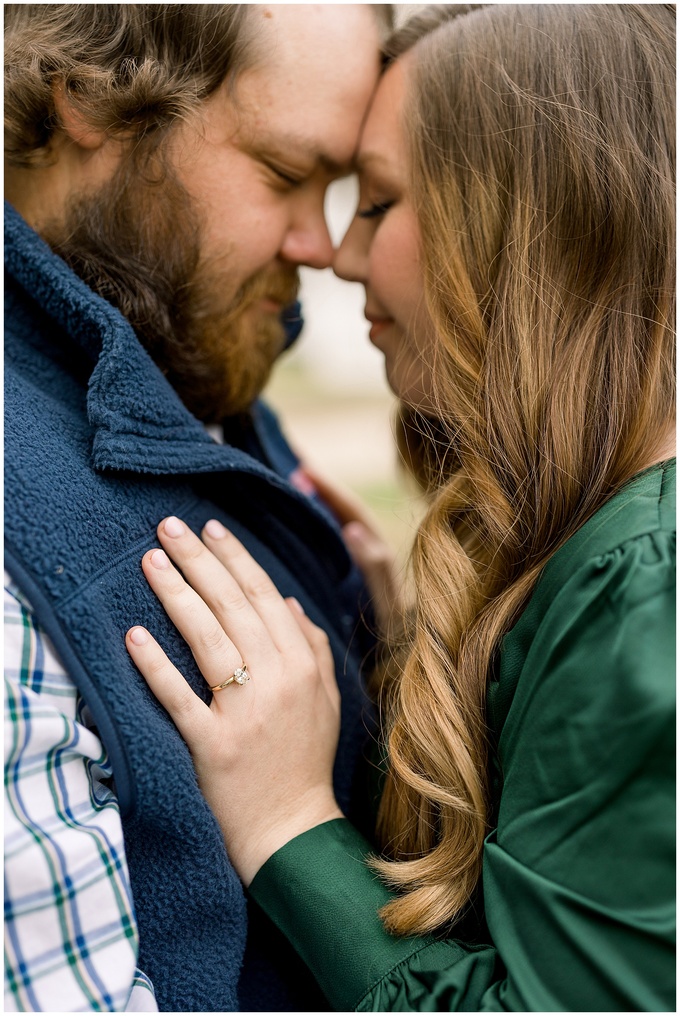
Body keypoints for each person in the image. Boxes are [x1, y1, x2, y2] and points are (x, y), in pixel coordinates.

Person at [125, 4, 676, 1012]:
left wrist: (288, 823)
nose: (337, 256)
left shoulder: (645, 587)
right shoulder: (592, 553)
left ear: (523, 224)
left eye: (374, 204)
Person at [3, 4, 390, 1012]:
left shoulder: (176, 341)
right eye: (282, 173)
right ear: (89, 95)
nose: (321, 244)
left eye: (342, 187)